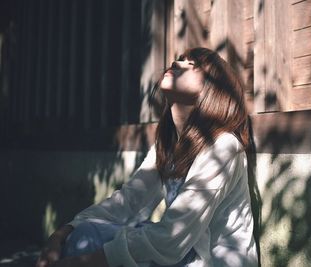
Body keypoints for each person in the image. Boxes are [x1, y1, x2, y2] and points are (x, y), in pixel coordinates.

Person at [36, 47, 258, 267]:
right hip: (184, 257)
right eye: (180, 59)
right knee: (85, 234)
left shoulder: (223, 146)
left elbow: (172, 238)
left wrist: (85, 262)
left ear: (212, 90)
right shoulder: (169, 144)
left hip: (212, 262)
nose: (176, 63)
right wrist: (63, 232)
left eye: (193, 65)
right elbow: (128, 202)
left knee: (96, 245)